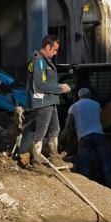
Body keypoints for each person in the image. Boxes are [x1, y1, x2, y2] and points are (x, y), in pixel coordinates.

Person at [23, 35, 72, 173]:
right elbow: (40, 84)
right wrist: (59, 88)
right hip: (43, 102)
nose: (56, 53)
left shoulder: (45, 61)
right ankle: (36, 161)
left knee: (55, 129)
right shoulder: (38, 61)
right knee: (41, 131)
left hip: (50, 101)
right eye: (55, 50)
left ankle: (54, 157)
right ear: (48, 47)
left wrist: (59, 88)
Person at [61, 88, 111, 187]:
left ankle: (87, 188)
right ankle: (110, 185)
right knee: (105, 162)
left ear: (78, 96)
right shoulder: (96, 104)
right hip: (99, 135)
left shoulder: (74, 107)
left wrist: (62, 138)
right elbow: (101, 118)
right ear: (89, 95)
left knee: (85, 165)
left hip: (84, 137)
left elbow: (68, 126)